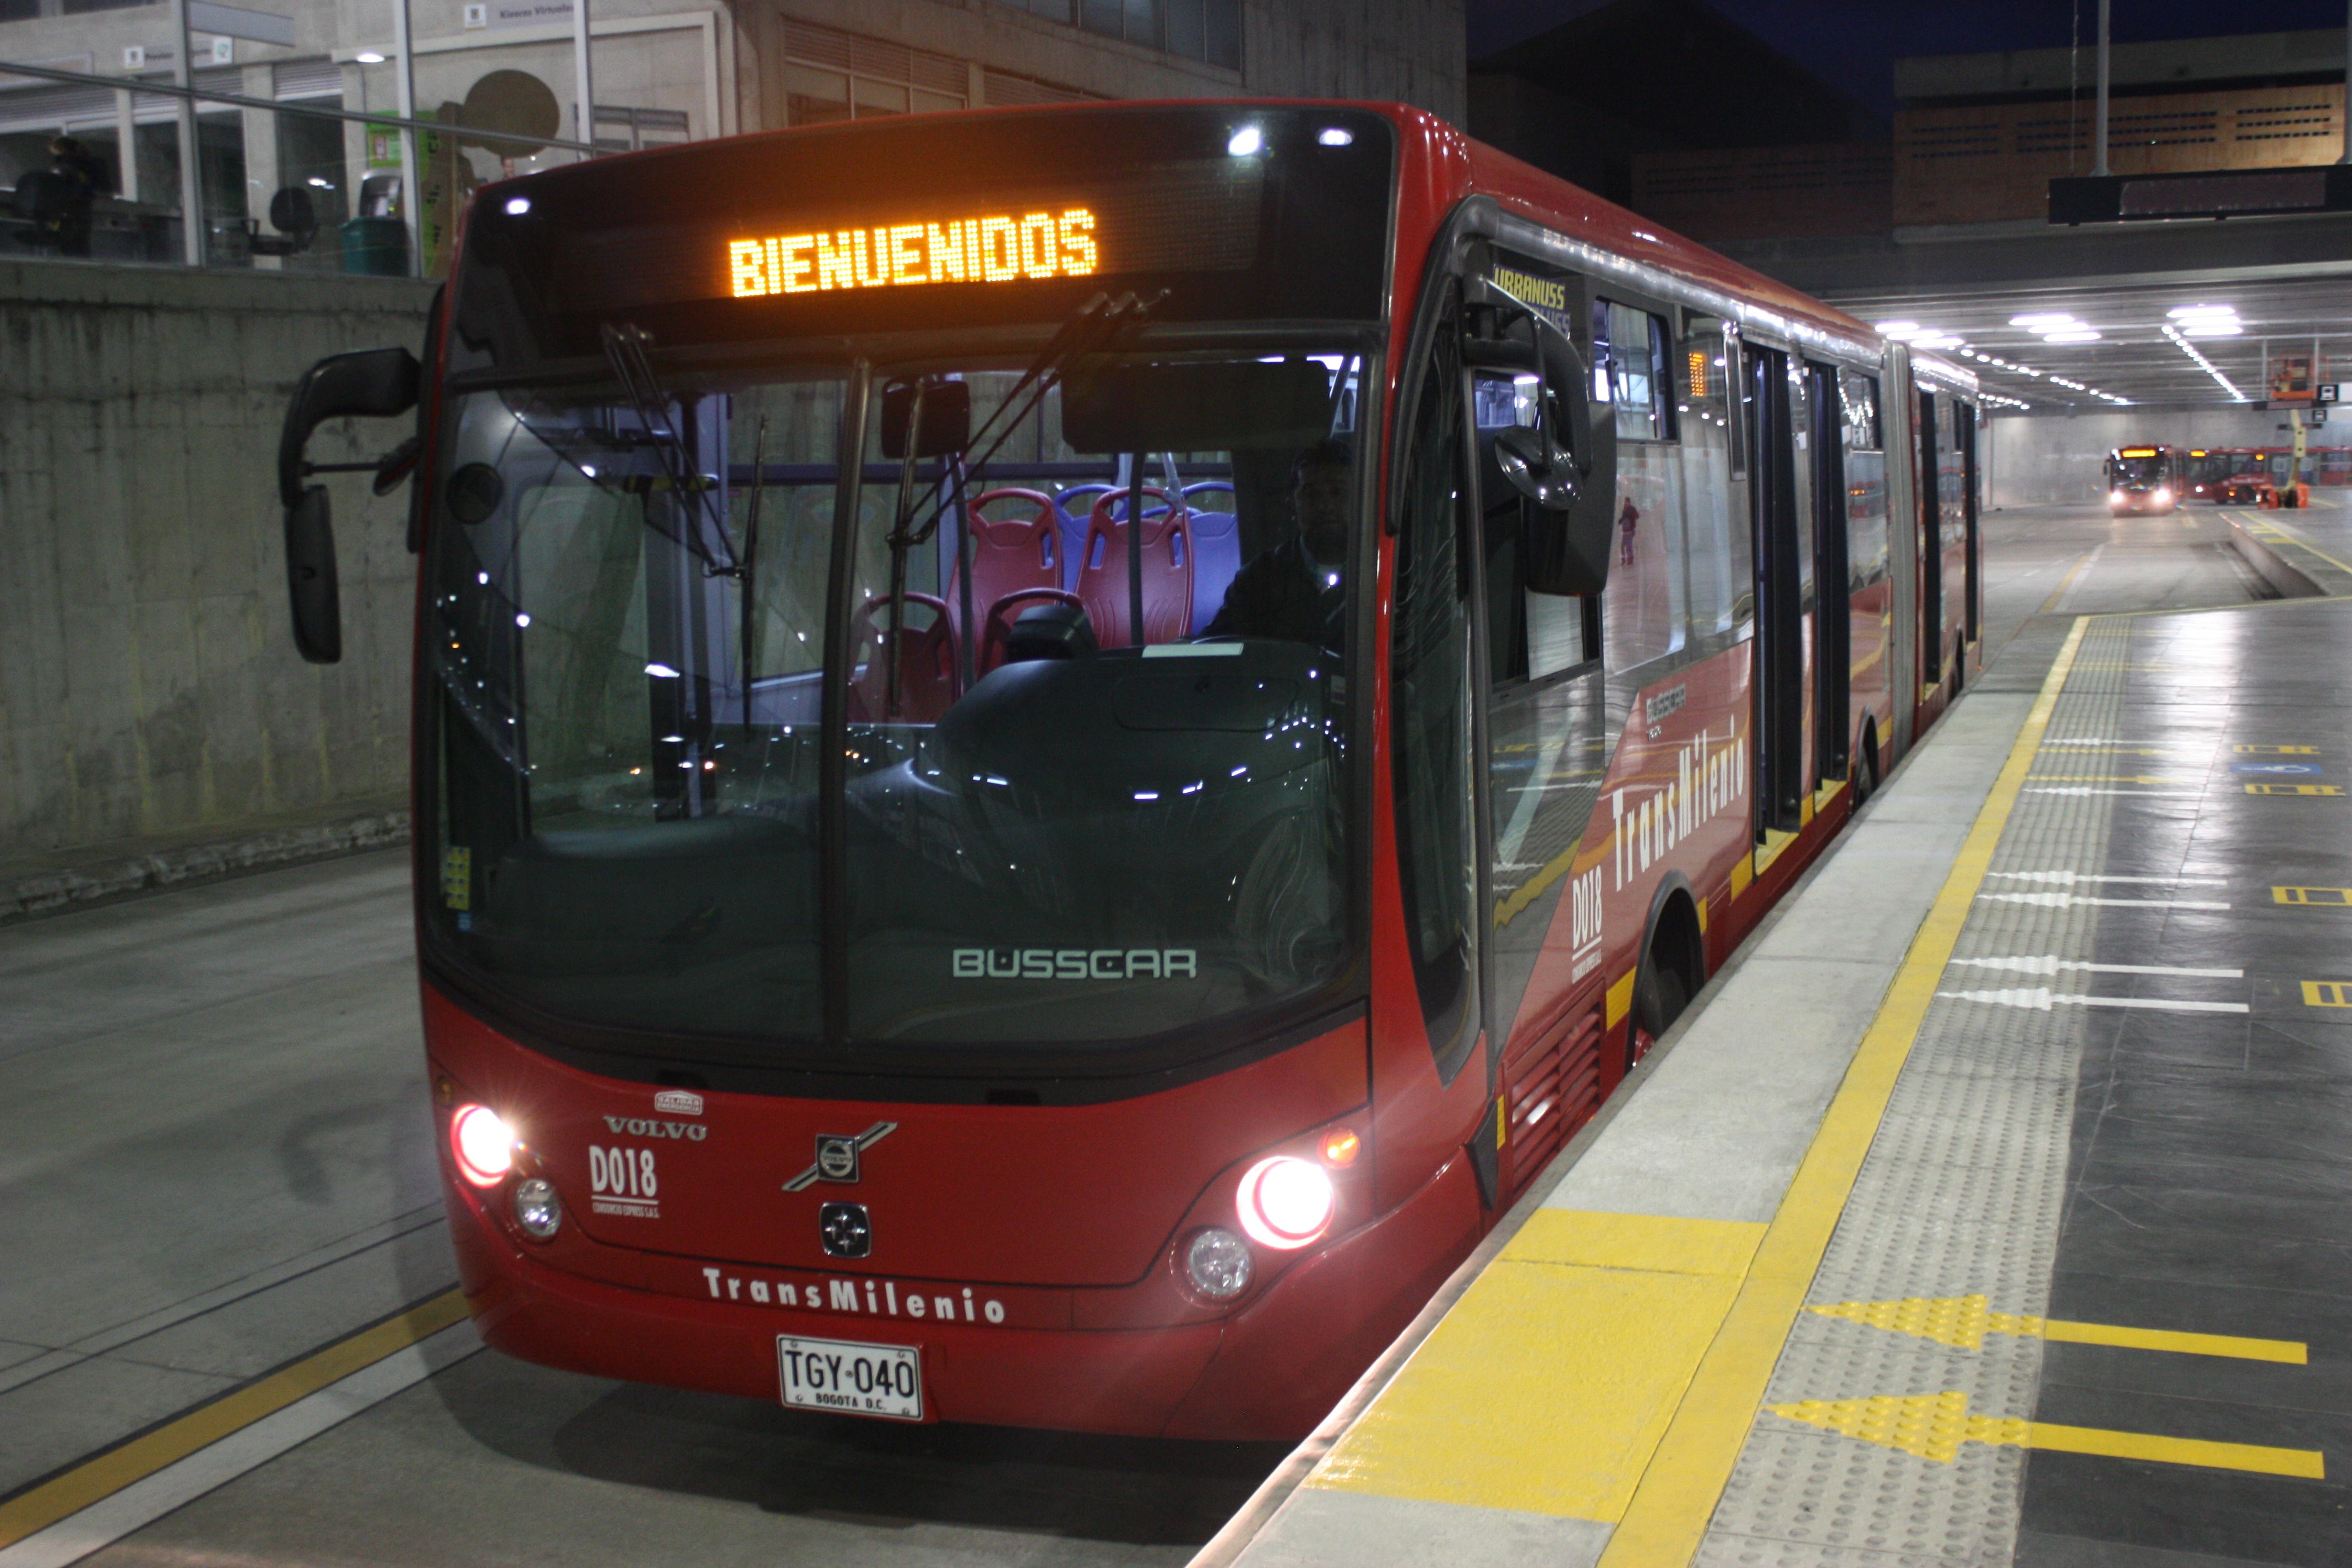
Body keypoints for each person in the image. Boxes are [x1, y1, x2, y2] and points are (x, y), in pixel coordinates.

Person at [1201, 437, 1351, 646]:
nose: (1326, 505)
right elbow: (1216, 648)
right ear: (1292, 507)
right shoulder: (1258, 580)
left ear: (1360, 501)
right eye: (1312, 494)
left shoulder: (1380, 574)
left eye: (1338, 492)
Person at [48, 136, 101, 257]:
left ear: (58, 149)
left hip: (66, 215)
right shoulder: (88, 166)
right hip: (85, 213)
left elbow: (56, 190)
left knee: (65, 249)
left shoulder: (63, 166)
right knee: (83, 248)